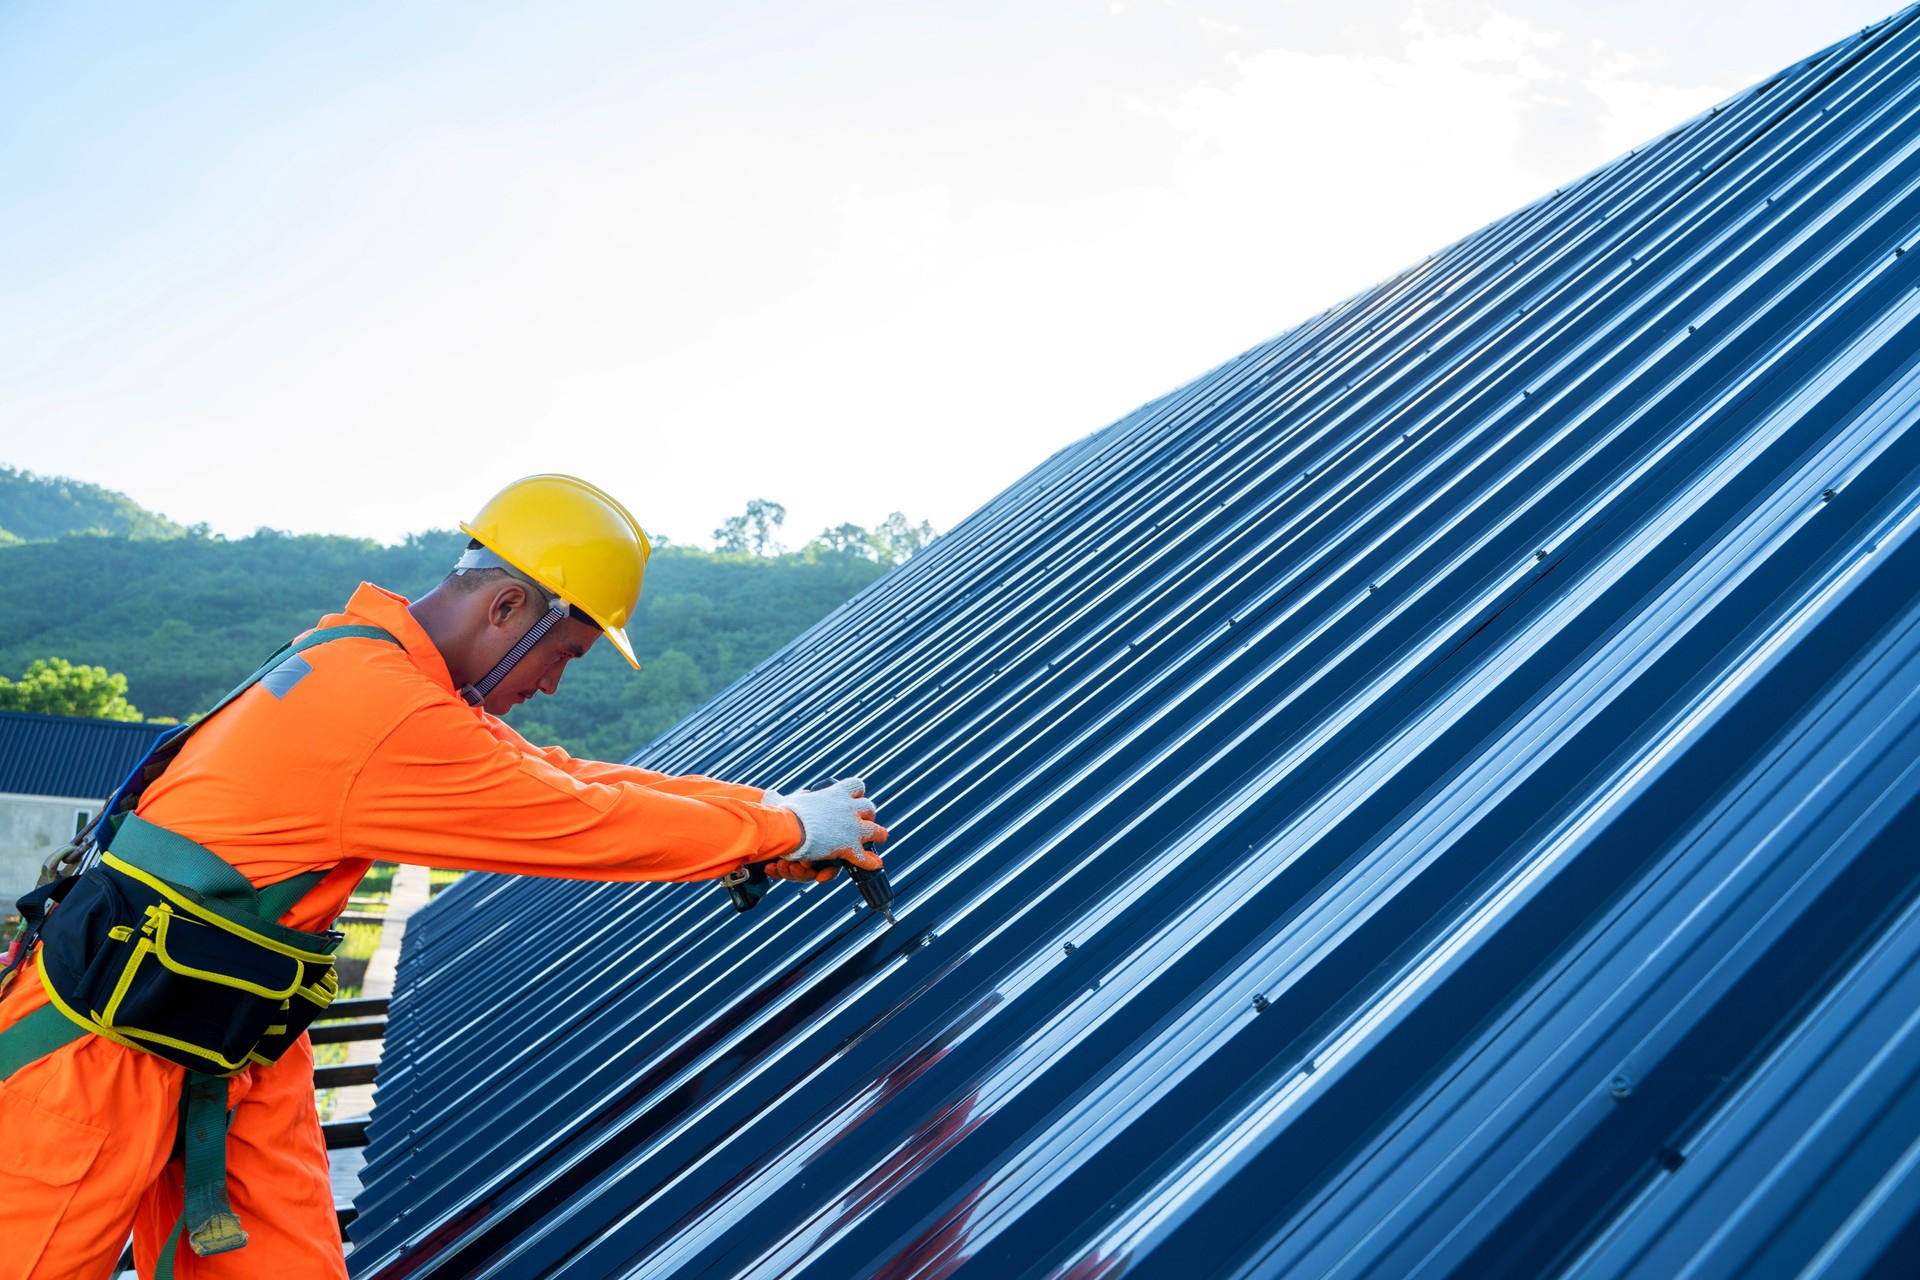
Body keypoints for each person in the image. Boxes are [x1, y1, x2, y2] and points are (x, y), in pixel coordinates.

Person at [0, 474, 886, 1280]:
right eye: (563, 656)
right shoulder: (384, 712)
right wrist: (776, 826)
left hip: (221, 1041)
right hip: (95, 1060)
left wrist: (768, 817)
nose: (550, 684)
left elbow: (566, 775)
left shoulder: (369, 663)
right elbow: (578, 821)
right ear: (507, 606)